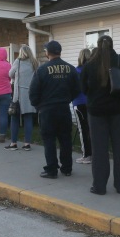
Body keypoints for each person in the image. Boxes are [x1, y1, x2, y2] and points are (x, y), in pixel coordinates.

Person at [80, 35, 120, 194]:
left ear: (97, 46)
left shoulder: (89, 64)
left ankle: (99, 187)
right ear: (112, 45)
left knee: (99, 151)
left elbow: (83, 89)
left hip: (97, 112)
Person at [29, 41, 80, 178]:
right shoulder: (70, 69)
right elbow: (77, 88)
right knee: (65, 139)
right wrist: (68, 99)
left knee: (49, 140)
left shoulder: (42, 69)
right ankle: (67, 168)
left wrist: (38, 106)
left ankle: (51, 170)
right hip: (63, 108)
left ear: (47, 52)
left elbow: (33, 92)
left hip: (47, 110)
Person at [5, 45, 39, 151]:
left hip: (18, 94)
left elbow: (10, 74)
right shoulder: (35, 63)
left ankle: (13, 143)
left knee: (14, 118)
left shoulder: (18, 61)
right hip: (30, 93)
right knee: (28, 118)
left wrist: (17, 77)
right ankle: (27, 144)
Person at [73, 48, 92, 164]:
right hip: (91, 102)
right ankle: (94, 153)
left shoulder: (77, 71)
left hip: (79, 102)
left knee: (83, 129)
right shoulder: (92, 70)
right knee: (91, 129)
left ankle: (87, 155)